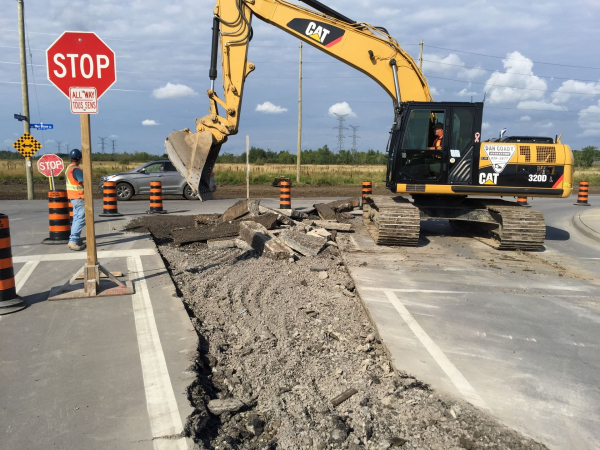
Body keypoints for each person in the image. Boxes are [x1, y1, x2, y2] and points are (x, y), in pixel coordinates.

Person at [66, 149, 86, 251]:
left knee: (76, 218)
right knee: (80, 219)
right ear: (79, 159)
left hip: (73, 197)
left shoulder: (69, 168)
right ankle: (73, 241)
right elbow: (84, 182)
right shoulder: (76, 170)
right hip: (79, 197)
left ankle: (74, 239)